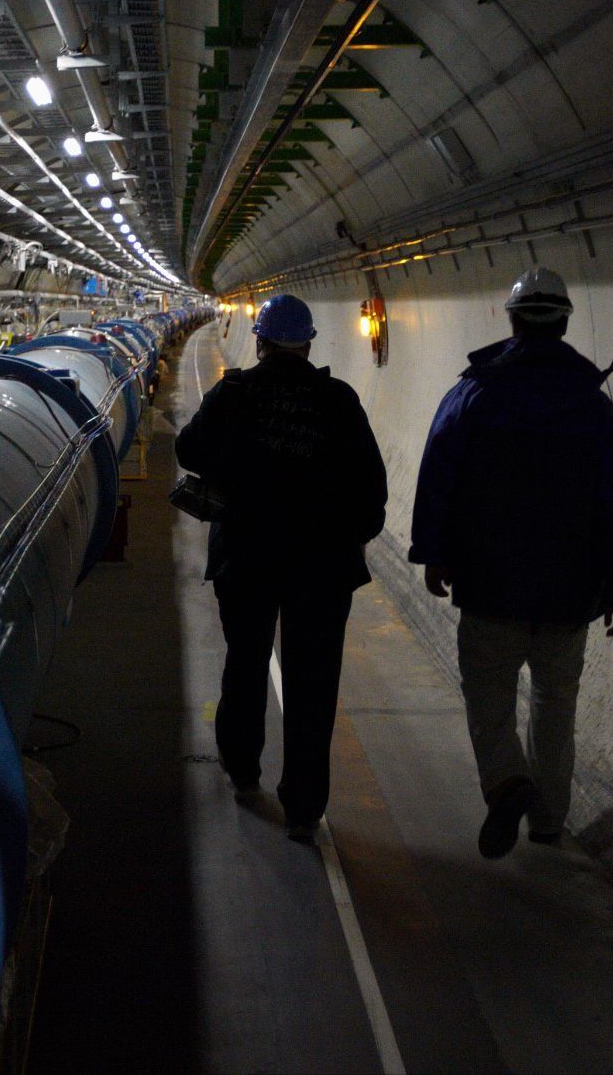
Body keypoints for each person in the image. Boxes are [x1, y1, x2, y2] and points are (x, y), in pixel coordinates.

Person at [408, 266, 613, 859]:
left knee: (488, 694)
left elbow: (439, 475)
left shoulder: (475, 393)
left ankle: (507, 781)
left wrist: (432, 551)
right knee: (555, 705)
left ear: (510, 319)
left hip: (490, 586)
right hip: (570, 594)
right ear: (565, 322)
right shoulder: (593, 406)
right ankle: (547, 821)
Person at [176, 293, 388, 842]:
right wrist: (340, 537)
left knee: (246, 663)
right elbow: (372, 493)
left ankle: (243, 768)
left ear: (263, 342)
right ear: (308, 343)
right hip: (320, 569)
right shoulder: (338, 402)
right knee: (312, 683)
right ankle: (302, 807)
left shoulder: (235, 392)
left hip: (246, 558)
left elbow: (189, 450)